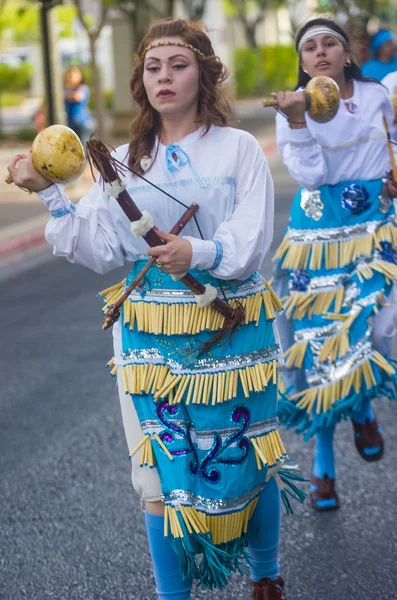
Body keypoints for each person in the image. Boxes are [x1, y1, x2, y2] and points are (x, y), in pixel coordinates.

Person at [7, 18, 305, 600]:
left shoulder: (238, 148)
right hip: (149, 336)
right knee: (158, 472)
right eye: (153, 68)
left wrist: (195, 250)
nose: (164, 77)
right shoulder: (122, 159)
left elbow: (250, 242)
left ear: (205, 72)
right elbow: (94, 247)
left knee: (249, 455)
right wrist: (47, 191)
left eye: (178, 65)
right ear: (141, 82)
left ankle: (266, 575)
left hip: (230, 325)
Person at [272, 17, 397, 512]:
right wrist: (300, 120)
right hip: (317, 238)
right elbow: (312, 175)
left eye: (329, 44)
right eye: (309, 48)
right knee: (319, 343)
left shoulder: (377, 95)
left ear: (347, 54)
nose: (320, 52)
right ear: (302, 62)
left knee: (376, 327)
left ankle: (363, 404)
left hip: (375, 226)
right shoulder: (292, 110)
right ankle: (325, 463)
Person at [63, 65, 93, 148]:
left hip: (82, 123)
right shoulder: (63, 89)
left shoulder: (83, 88)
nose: (71, 75)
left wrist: (64, 94)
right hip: (68, 124)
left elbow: (77, 97)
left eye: (75, 73)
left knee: (82, 149)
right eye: (69, 73)